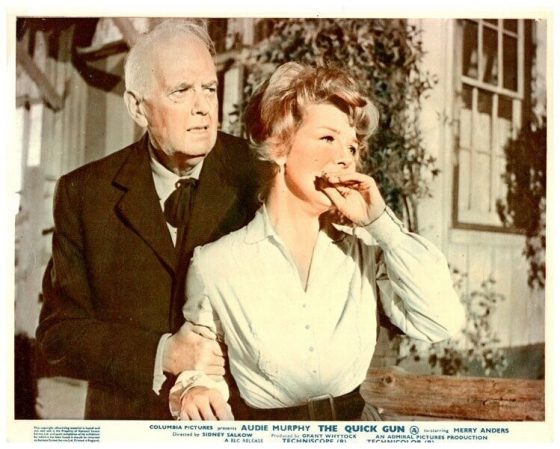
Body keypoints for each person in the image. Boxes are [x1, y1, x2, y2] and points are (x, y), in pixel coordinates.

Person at [169, 62, 466, 421]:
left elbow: (441, 322)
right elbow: (201, 368)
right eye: (328, 138)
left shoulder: (364, 251)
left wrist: (381, 225)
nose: (345, 158)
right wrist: (196, 388)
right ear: (278, 147)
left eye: (352, 147)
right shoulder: (216, 264)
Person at [36, 19, 259, 419]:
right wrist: (161, 353)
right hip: (129, 424)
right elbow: (59, 334)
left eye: (210, 88)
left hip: (234, 424)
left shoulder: (260, 174)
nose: (203, 107)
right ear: (137, 108)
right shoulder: (83, 193)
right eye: (181, 91)